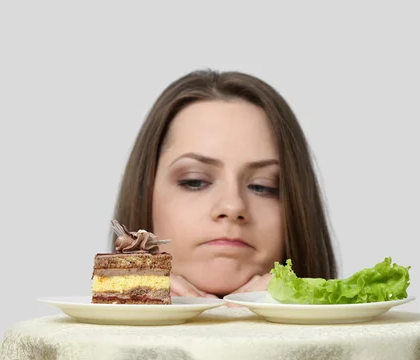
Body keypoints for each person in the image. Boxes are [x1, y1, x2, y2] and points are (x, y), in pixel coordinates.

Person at [112, 69, 338, 298]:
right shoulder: (80, 331)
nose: (232, 206)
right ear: (144, 194)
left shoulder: (363, 330)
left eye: (263, 186)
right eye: (195, 182)